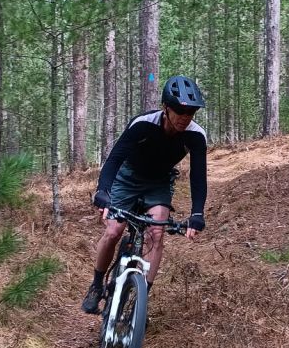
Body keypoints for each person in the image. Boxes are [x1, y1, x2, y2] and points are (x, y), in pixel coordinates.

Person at [81, 75, 208, 313]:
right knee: (113, 230)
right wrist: (103, 191)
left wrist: (197, 213)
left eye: (191, 112)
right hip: (127, 178)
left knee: (156, 234)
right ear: (166, 107)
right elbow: (115, 159)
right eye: (180, 111)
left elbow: (198, 176)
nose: (185, 117)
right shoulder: (143, 123)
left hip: (159, 182)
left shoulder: (195, 135)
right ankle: (97, 285)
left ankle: (139, 304)